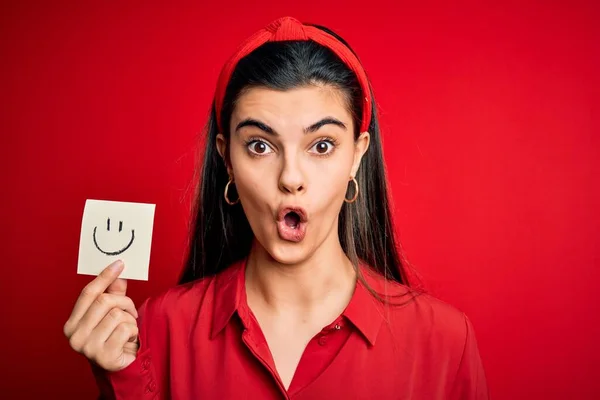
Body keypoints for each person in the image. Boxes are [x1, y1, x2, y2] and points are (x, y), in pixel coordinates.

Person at [63, 16, 490, 399]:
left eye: (321, 145)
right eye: (260, 145)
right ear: (227, 157)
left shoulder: (446, 343)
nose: (290, 177)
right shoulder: (157, 329)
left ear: (357, 156)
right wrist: (123, 381)